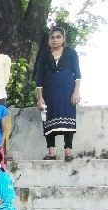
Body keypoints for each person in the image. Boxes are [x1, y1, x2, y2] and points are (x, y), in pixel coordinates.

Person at [36, 26, 82, 162]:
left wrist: (76, 92)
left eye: (58, 37)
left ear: (63, 39)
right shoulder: (44, 55)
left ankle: (68, 151)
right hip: (49, 93)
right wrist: (40, 97)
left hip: (67, 92)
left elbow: (77, 75)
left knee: (68, 119)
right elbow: (39, 78)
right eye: (52, 37)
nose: (55, 40)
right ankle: (51, 153)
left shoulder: (71, 53)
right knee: (48, 120)